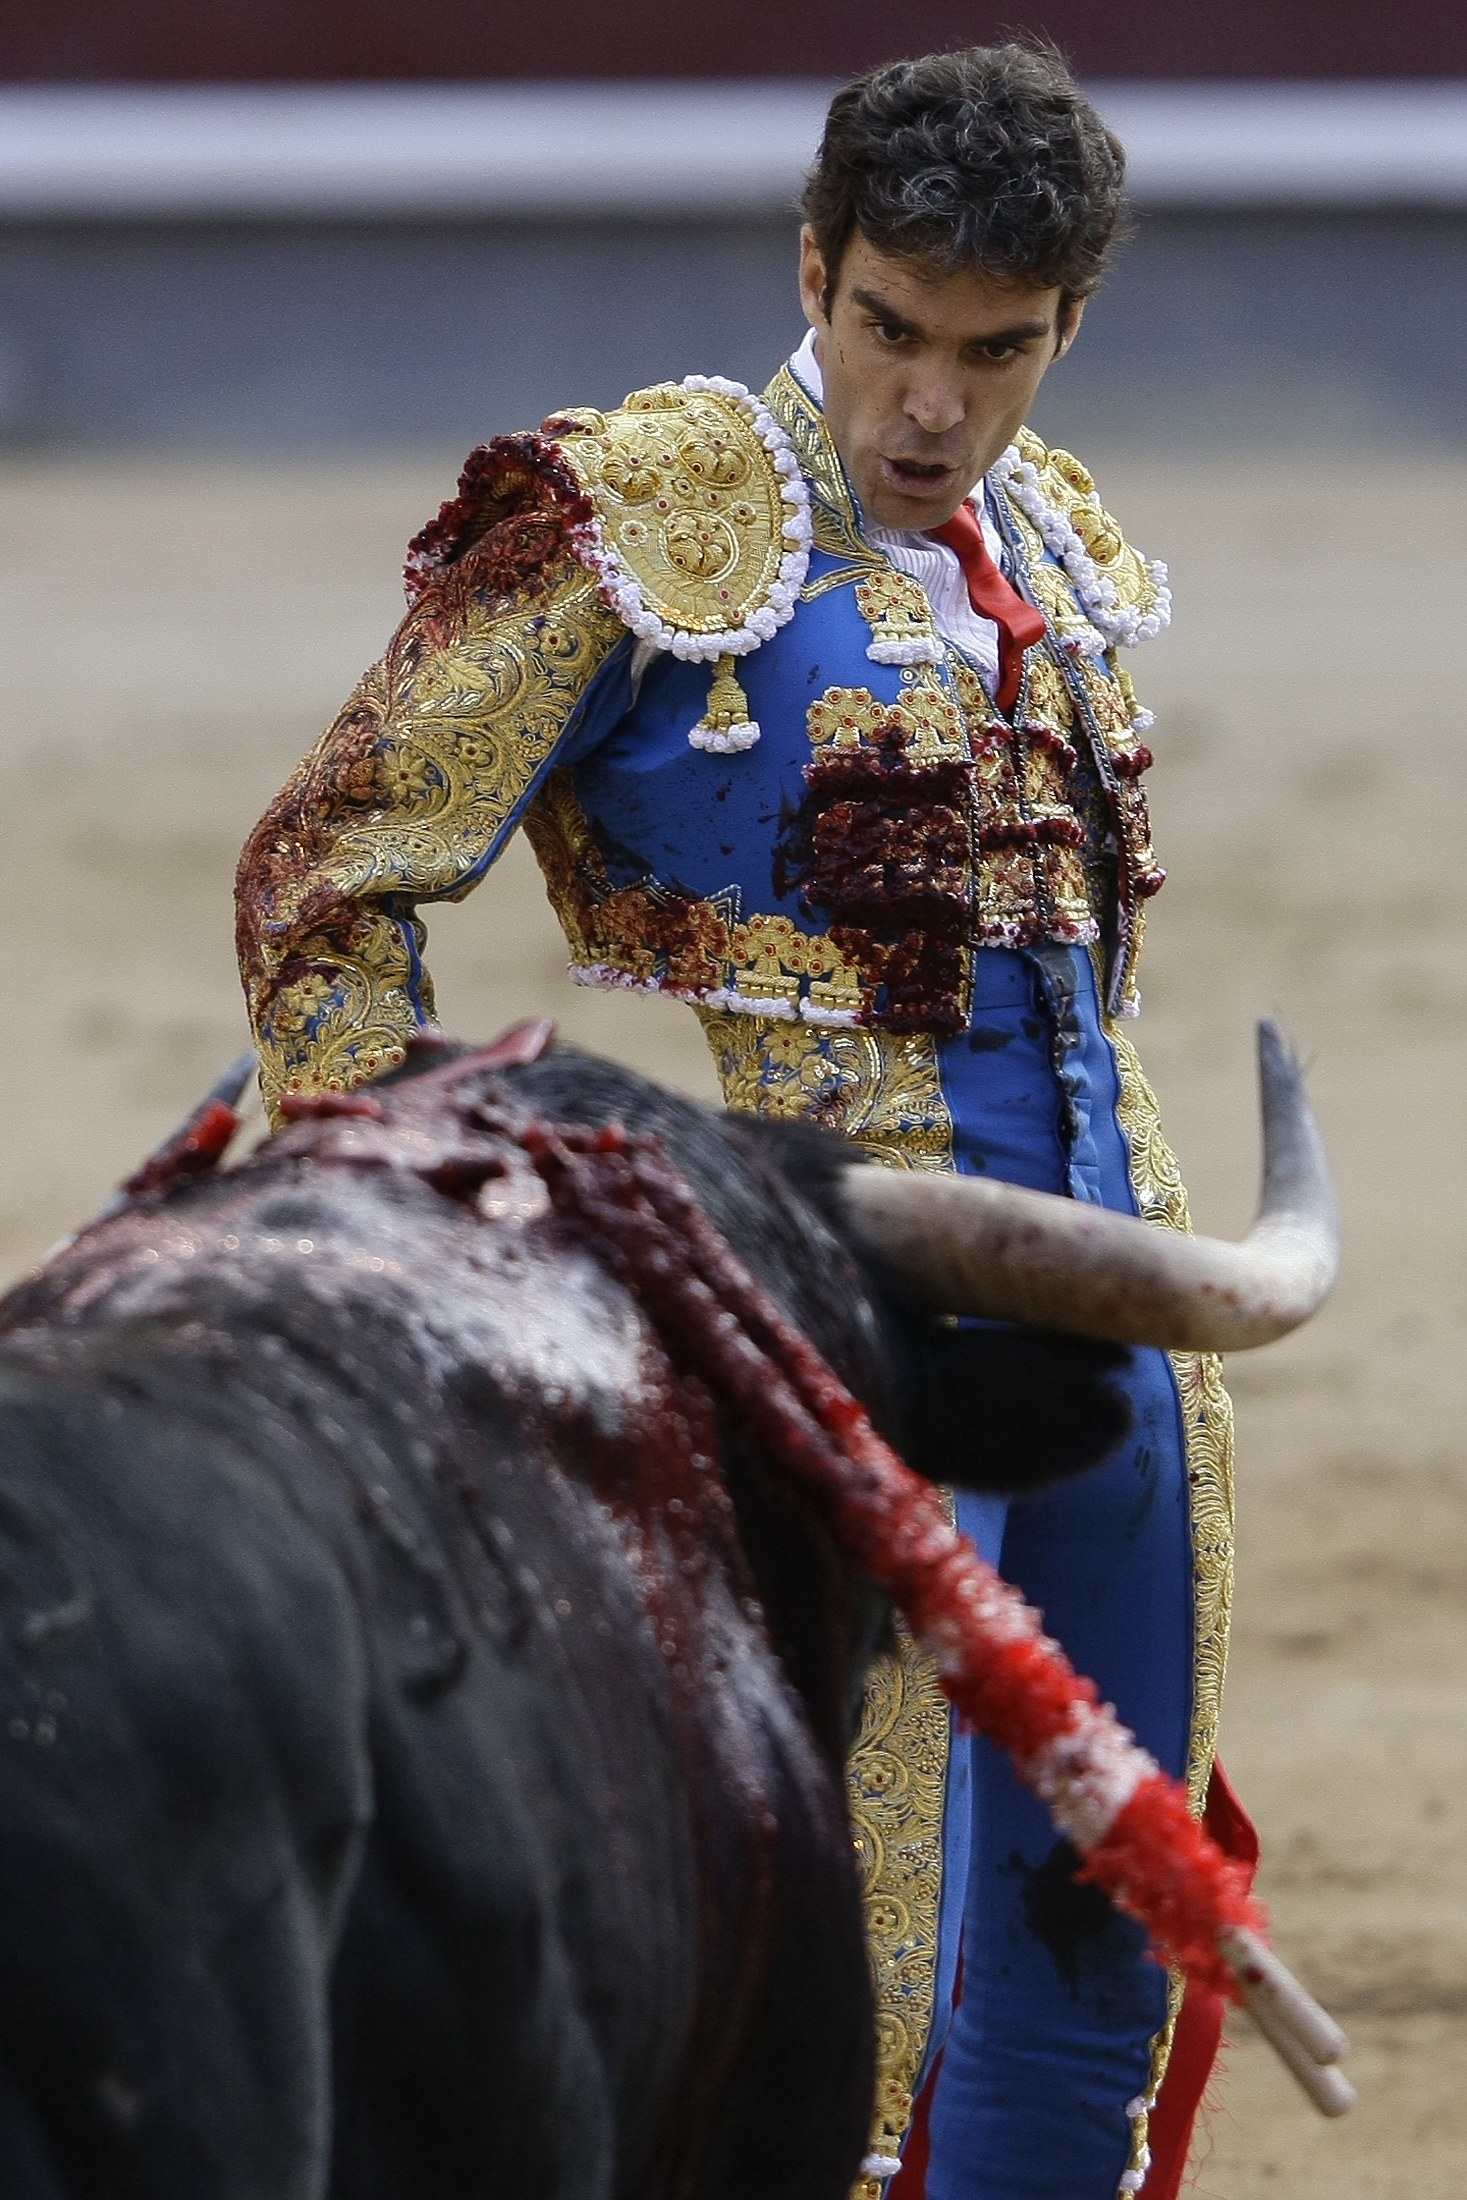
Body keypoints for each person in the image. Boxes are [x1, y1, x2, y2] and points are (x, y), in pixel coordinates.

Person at [236, 43, 1247, 2200]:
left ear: (1066, 331)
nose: (927, 408)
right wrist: (387, 1215)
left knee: (1086, 1901)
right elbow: (331, 874)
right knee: (831, 1927)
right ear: (811, 266)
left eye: (995, 351)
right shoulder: (647, 504)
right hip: (817, 1302)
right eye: (886, 326)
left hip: (1130, 1300)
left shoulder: (1052, 540)